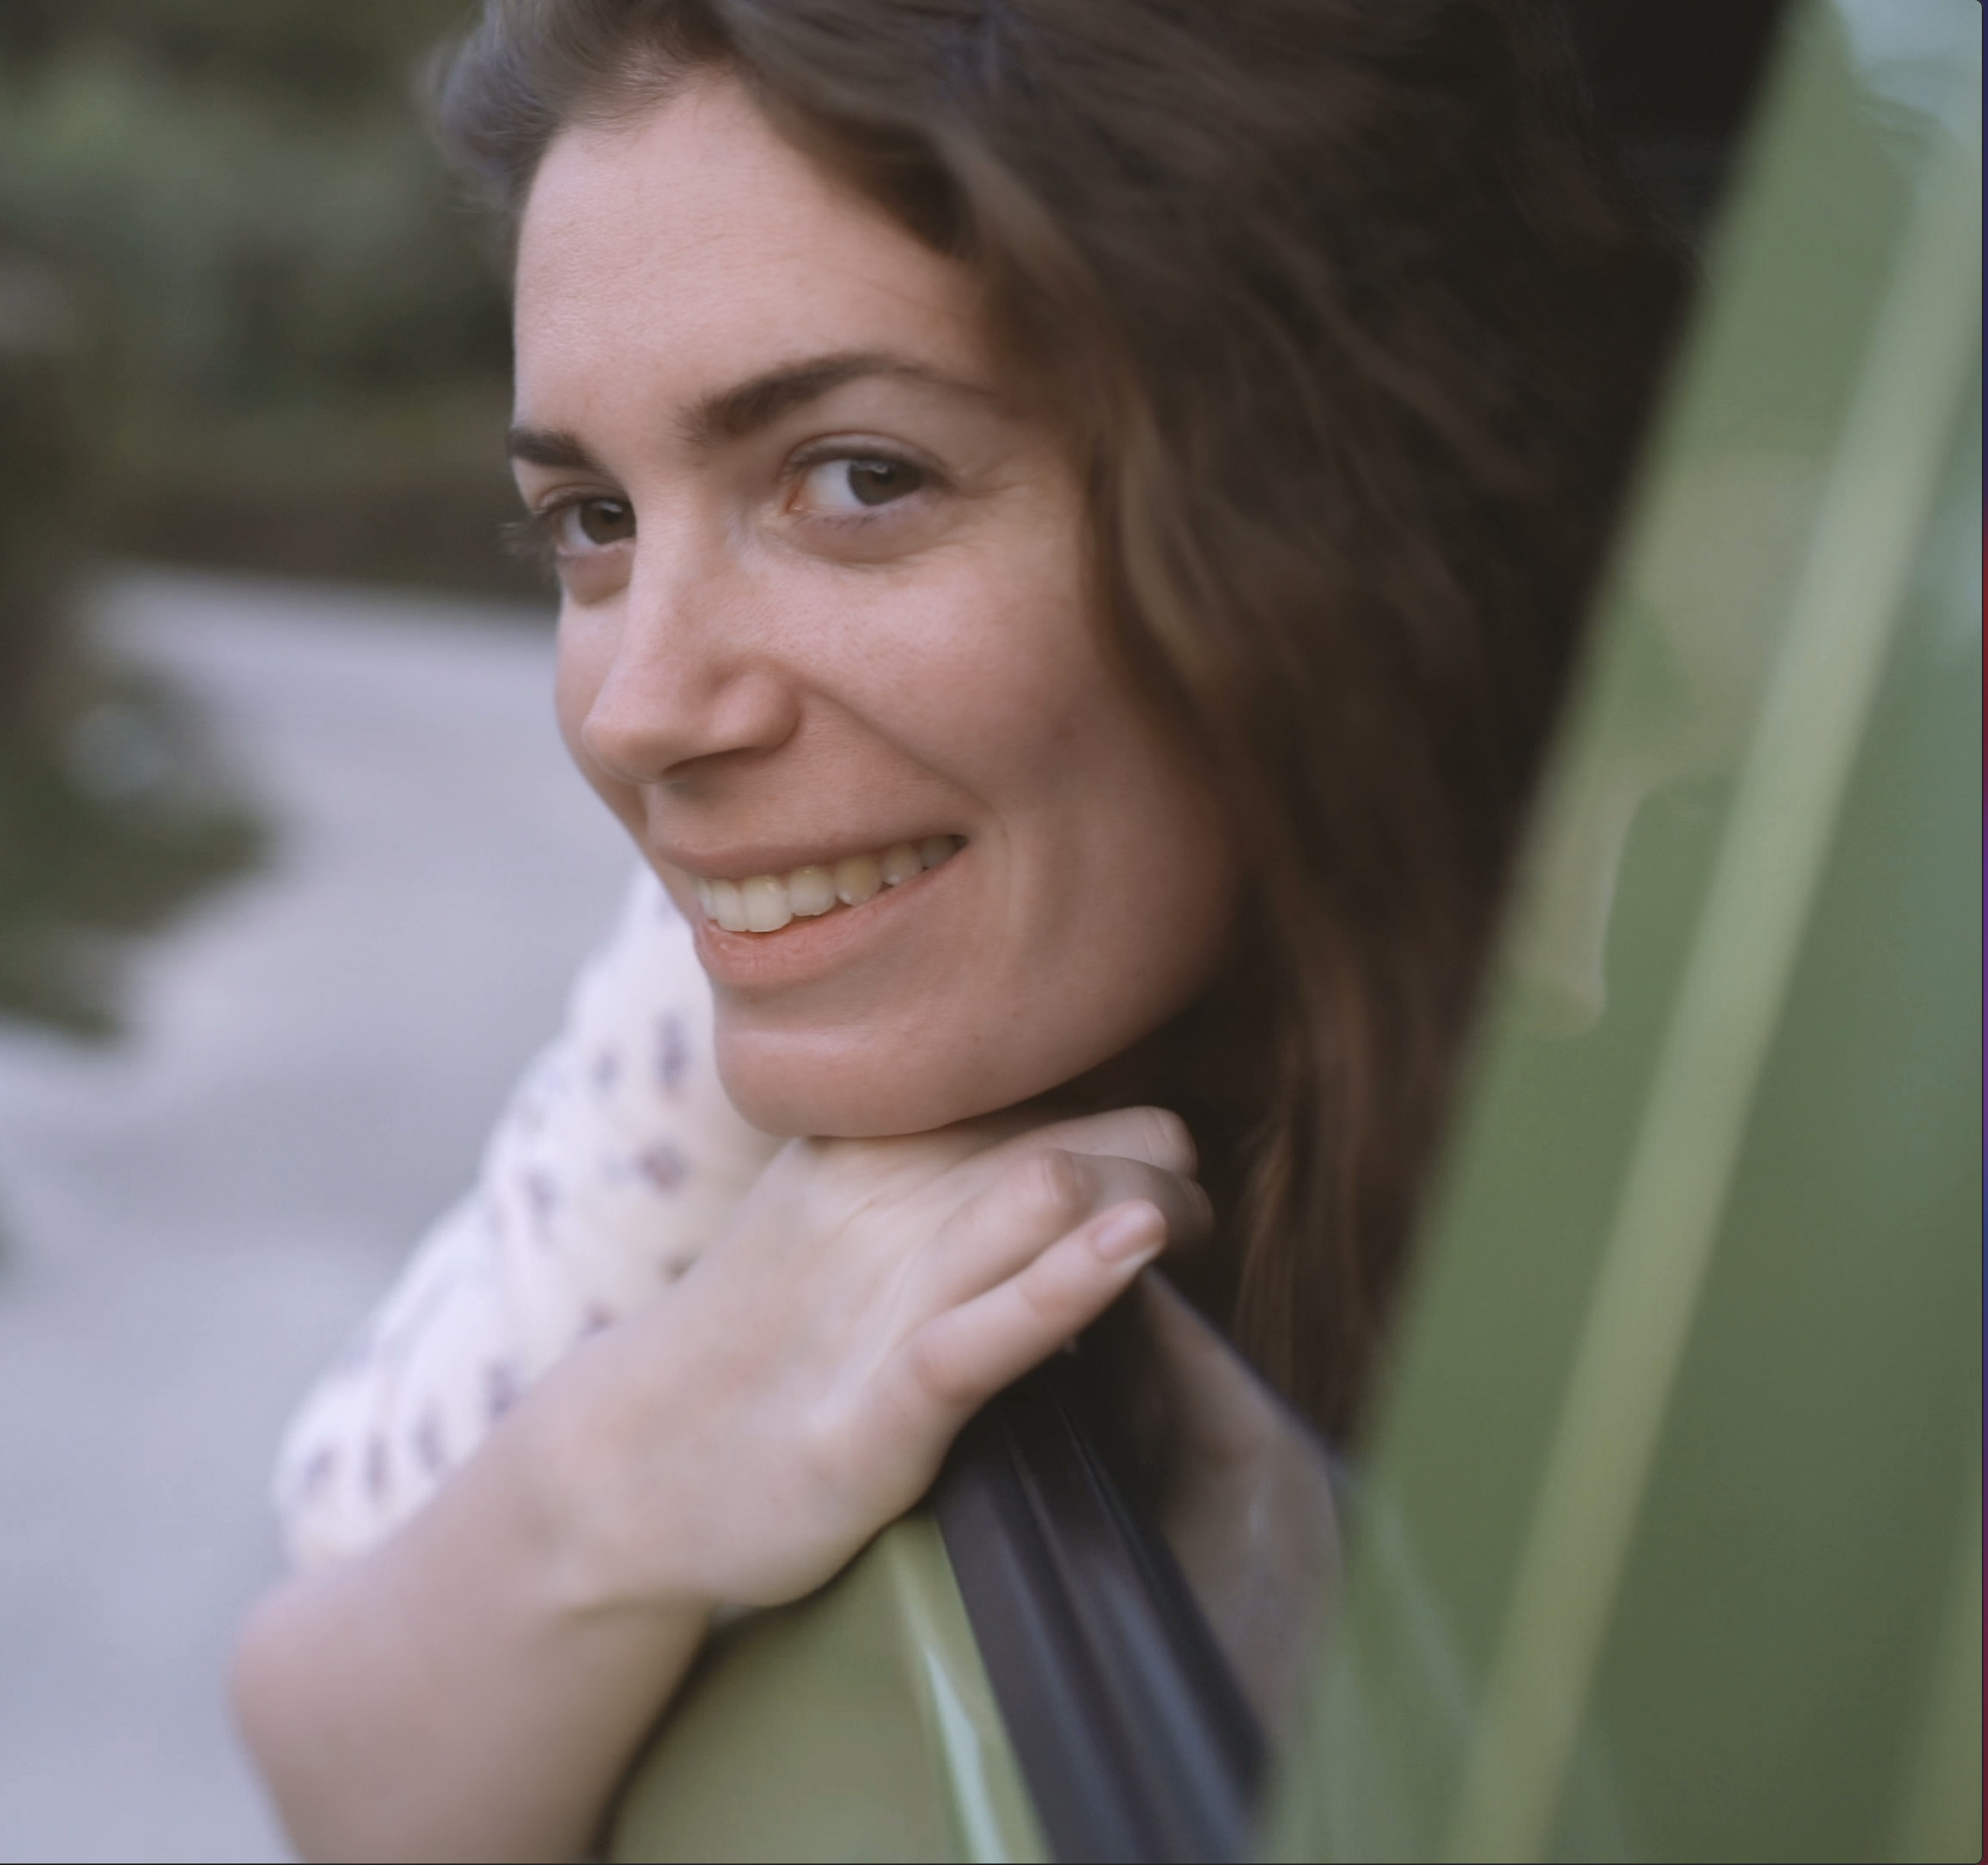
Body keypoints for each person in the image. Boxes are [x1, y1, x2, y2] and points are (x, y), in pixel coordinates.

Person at [228, 0, 1681, 1857]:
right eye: (589, 518)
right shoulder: (739, 978)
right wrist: (654, 1437)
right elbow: (324, 1740)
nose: (639, 708)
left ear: (1330, 501)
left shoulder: (1710, 1085)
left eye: (858, 477)